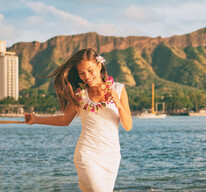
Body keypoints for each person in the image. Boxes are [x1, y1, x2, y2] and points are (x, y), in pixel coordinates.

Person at [25, 48, 132, 192]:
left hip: (111, 156)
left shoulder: (119, 89)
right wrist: (36, 120)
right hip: (87, 154)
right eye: (81, 72)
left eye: (90, 70)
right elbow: (64, 120)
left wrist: (119, 105)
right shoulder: (80, 94)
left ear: (99, 66)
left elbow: (128, 126)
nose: (86, 76)